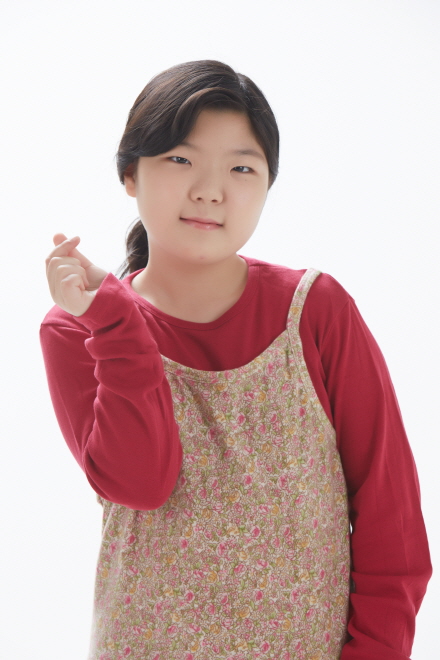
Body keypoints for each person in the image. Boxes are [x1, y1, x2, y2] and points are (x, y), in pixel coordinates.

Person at [40, 60, 431, 660]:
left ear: (268, 183)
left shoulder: (315, 311)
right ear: (129, 173)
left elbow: (392, 521)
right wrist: (116, 325)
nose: (210, 190)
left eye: (241, 167)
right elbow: (141, 484)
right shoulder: (78, 328)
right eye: (180, 159)